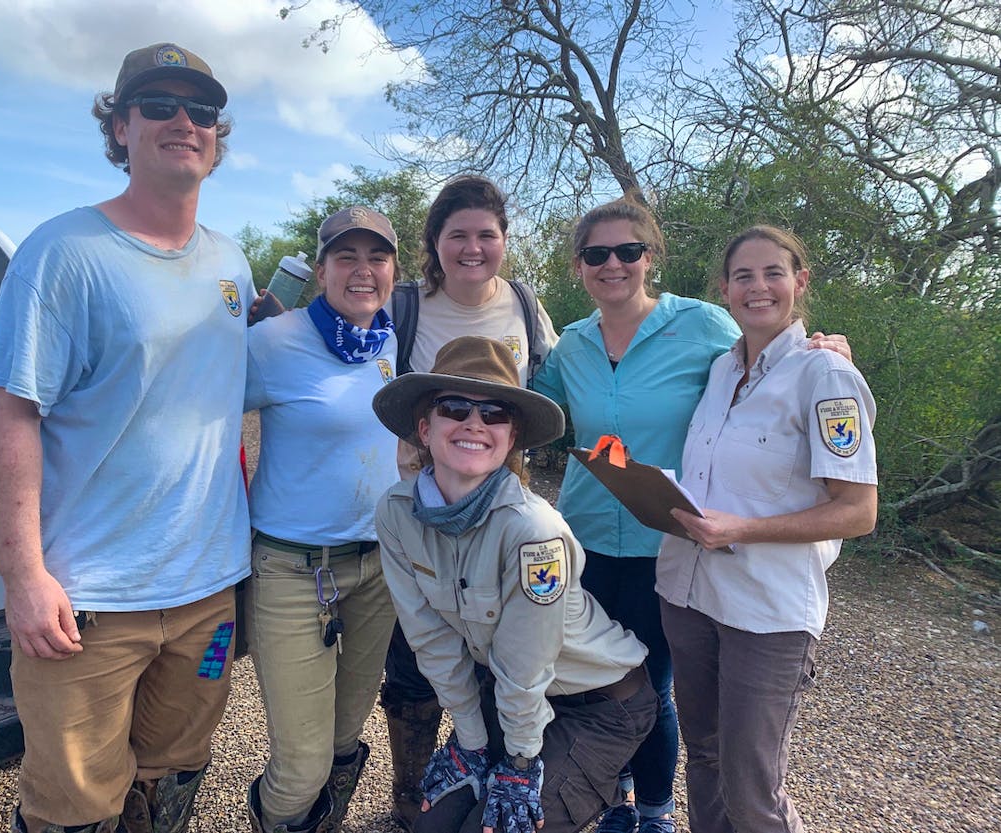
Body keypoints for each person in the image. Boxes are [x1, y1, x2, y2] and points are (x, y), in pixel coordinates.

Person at [0, 43, 252, 833]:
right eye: (157, 105)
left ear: (217, 136)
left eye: (200, 109)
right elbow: (11, 417)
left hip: (206, 594)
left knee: (172, 783)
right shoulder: (61, 254)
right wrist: (23, 575)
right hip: (87, 602)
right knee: (73, 811)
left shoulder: (232, 264)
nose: (182, 122)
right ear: (120, 127)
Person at [532, 199, 853, 833]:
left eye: (629, 251)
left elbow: (771, 357)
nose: (614, 264)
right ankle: (608, 800)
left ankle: (655, 809)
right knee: (594, 684)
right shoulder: (572, 345)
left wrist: (827, 347)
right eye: (597, 254)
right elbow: (532, 412)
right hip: (586, 540)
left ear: (651, 258)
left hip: (671, 545)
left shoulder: (702, 325)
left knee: (652, 687)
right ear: (579, 267)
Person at [372, 336, 658, 833]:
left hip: (597, 704)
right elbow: (431, 639)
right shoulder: (397, 514)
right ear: (424, 427)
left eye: (495, 413)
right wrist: (472, 742)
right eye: (454, 407)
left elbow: (527, 663)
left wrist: (520, 763)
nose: (474, 424)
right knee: (431, 828)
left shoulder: (533, 532)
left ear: (511, 438)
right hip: (510, 694)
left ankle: (602, 790)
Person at [656, 226, 878, 833]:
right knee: (702, 758)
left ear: (800, 282)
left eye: (773, 273)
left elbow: (858, 510)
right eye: (743, 276)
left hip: (767, 613)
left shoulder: (826, 378)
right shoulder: (721, 372)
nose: (758, 288)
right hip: (688, 595)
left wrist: (744, 529)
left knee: (754, 790)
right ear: (724, 290)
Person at [381, 175, 559, 832]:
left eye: (487, 234)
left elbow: (569, 377)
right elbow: (333, 334)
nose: (473, 247)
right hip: (422, 513)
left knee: (498, 645)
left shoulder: (524, 306)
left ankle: (497, 761)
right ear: (435, 241)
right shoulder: (405, 306)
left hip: (501, 513)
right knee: (415, 652)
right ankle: (412, 787)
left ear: (505, 241)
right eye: (458, 234)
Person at [243, 206, 401, 833]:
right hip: (290, 569)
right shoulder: (273, 342)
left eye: (377, 257)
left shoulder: (389, 340)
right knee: (303, 762)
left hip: (375, 568)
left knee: (342, 740)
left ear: (393, 270)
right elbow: (193, 416)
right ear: (320, 269)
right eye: (346, 257)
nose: (362, 271)